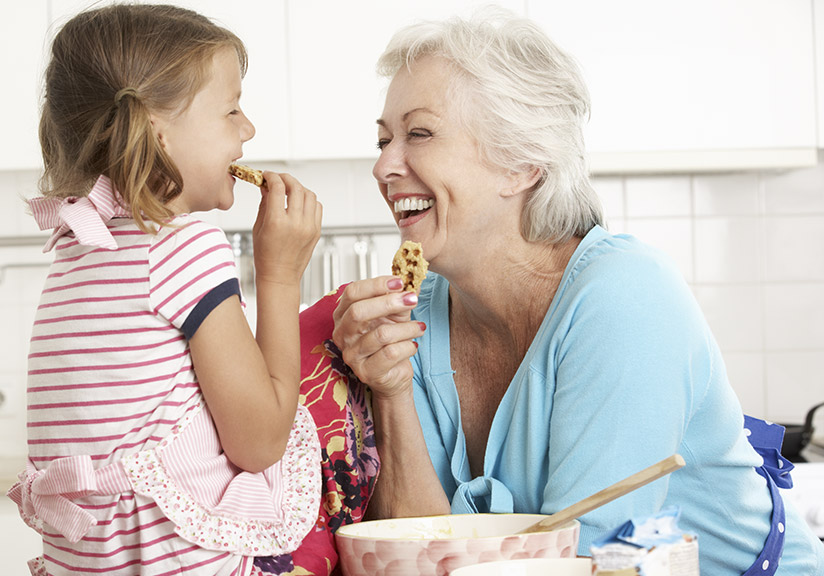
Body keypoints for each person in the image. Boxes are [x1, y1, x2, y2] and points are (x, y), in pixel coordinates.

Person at [329, 9, 824, 576]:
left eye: (418, 133)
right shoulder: (412, 320)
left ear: (521, 165)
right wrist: (388, 390)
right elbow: (415, 556)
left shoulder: (625, 298)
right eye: (383, 139)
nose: (384, 165)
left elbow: (590, 563)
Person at [6, 5, 324, 575]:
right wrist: (279, 273)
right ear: (156, 127)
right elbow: (260, 441)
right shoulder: (181, 247)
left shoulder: (78, 251)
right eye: (231, 109)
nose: (248, 128)